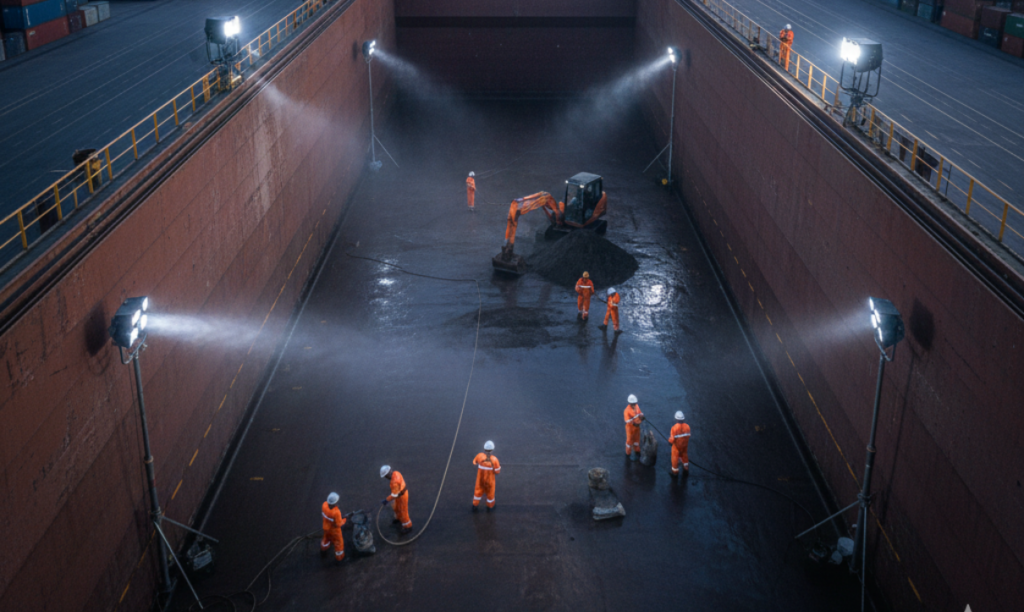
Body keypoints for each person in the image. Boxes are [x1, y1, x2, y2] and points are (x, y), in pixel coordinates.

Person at [380, 465, 412, 534]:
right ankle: (398, 518)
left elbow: (394, 495)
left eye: (385, 476)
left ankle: (408, 526)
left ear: (387, 474)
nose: (386, 477)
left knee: (403, 511)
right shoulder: (396, 473)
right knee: (396, 508)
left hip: (402, 496)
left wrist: (386, 500)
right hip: (400, 494)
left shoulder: (394, 482)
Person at [472, 440, 502, 512]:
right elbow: (497, 471)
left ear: (484, 449)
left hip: (480, 480)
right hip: (490, 481)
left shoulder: (479, 456)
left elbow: (474, 462)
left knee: (477, 492)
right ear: (492, 450)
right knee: (490, 494)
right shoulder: (494, 459)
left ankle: (475, 505)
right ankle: (490, 506)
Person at [320, 492, 348, 563]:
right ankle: (340, 558)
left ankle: (323, 551)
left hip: (326, 528)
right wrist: (344, 519)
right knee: (338, 543)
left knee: (326, 539)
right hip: (334, 531)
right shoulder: (336, 512)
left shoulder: (324, 505)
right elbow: (338, 524)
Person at [669, 411, 691, 476]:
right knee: (684, 456)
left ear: (676, 419)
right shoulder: (687, 427)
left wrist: (669, 442)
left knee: (675, 458)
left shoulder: (674, 428)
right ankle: (686, 468)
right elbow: (688, 436)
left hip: (676, 447)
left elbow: (672, 439)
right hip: (684, 446)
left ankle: (675, 472)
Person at [623, 394, 644, 459]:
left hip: (637, 427)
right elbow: (627, 420)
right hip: (630, 428)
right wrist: (633, 419)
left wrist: (641, 415)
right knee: (629, 441)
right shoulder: (626, 410)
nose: (634, 405)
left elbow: (640, 413)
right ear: (630, 403)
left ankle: (637, 450)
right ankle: (628, 453)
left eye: (635, 403)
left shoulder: (637, 406)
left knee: (637, 439)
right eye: (633, 404)